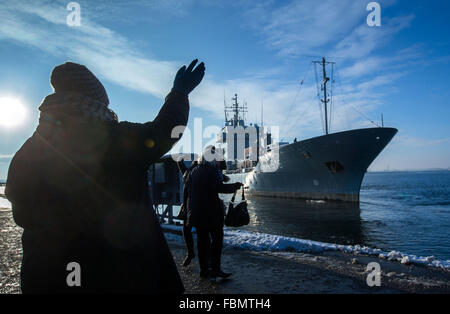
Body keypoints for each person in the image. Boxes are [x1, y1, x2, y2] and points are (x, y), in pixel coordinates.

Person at [5, 59, 205, 293]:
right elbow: (163, 131)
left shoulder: (28, 151)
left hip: (47, 273)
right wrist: (179, 93)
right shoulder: (112, 139)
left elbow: (19, 205)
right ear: (94, 100)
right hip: (119, 272)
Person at [184, 146, 242, 279]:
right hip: (210, 214)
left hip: (196, 213)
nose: (218, 161)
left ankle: (204, 271)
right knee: (217, 241)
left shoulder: (193, 171)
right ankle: (215, 269)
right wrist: (234, 186)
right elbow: (218, 187)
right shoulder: (211, 171)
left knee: (202, 242)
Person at [176, 155, 229, 267]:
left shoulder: (196, 170)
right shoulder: (197, 170)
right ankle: (202, 260)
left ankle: (199, 260)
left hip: (191, 205)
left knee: (199, 235)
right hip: (193, 205)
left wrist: (180, 160)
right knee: (205, 235)